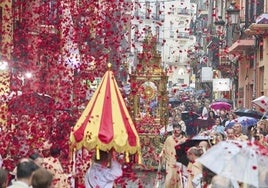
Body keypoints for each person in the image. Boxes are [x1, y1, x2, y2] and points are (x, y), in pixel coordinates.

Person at [159, 123, 187, 188]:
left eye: (178, 130)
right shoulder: (169, 139)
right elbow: (164, 149)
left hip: (180, 162)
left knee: (180, 179)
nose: (176, 132)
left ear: (181, 130)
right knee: (169, 179)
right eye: (175, 130)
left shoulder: (184, 140)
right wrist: (161, 156)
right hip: (170, 162)